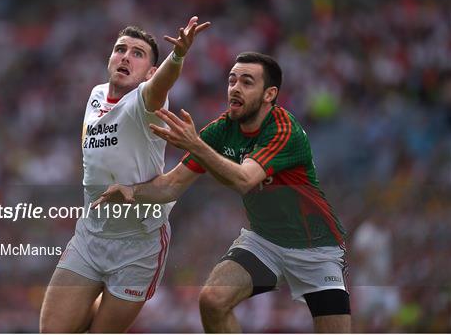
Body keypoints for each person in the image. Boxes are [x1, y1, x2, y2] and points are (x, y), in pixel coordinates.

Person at [94, 52, 351, 333]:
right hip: (266, 241)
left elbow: (244, 180)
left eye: (247, 82)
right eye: (232, 81)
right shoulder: (221, 130)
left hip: (316, 247)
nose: (235, 88)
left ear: (269, 94)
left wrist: (196, 145)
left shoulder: (284, 129)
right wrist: (130, 191)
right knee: (213, 300)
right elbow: (171, 185)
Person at [39, 16, 210, 333]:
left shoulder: (145, 101)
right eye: (120, 49)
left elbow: (161, 85)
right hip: (90, 236)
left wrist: (178, 56)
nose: (125, 57)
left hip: (138, 246)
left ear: (150, 71)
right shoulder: (96, 93)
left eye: (138, 53)